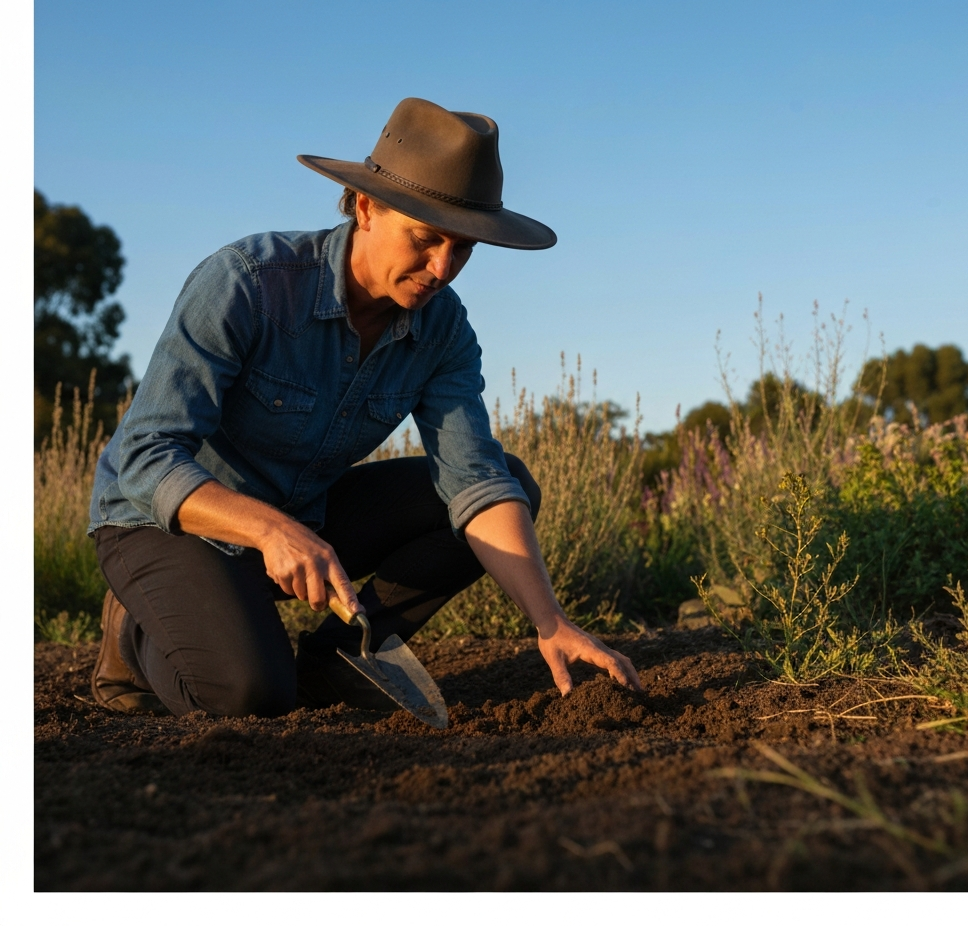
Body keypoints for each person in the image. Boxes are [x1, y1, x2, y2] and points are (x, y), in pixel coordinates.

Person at [87, 97, 642, 718]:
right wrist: (270, 529)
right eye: (426, 239)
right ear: (366, 207)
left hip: (305, 517)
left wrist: (551, 623)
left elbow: (475, 481)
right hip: (162, 523)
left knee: (509, 481)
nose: (441, 269)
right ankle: (137, 636)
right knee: (252, 695)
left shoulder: (443, 332)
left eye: (462, 250)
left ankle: (342, 655)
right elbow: (142, 455)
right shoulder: (248, 282)